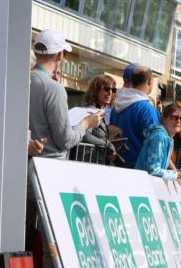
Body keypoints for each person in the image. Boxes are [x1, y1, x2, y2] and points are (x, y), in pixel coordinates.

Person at [28, 30, 100, 159]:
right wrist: (85, 124)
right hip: (49, 167)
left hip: (25, 165)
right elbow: (65, 141)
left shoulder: (21, 81)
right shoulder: (54, 88)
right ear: (60, 55)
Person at [135, 102, 181, 183]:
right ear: (164, 118)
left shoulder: (167, 136)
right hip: (142, 183)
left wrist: (178, 172)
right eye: (174, 117)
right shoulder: (160, 136)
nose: (178, 121)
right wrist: (179, 175)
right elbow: (153, 170)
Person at [113, 65, 160, 167]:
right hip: (139, 169)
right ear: (150, 81)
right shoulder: (147, 109)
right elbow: (155, 145)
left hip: (116, 166)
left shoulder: (116, 105)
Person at [71, 74, 117, 165]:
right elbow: (84, 134)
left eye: (113, 90)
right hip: (86, 162)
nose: (110, 92)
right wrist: (106, 144)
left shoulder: (101, 111)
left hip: (96, 161)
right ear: (96, 91)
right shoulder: (90, 111)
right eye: (107, 89)